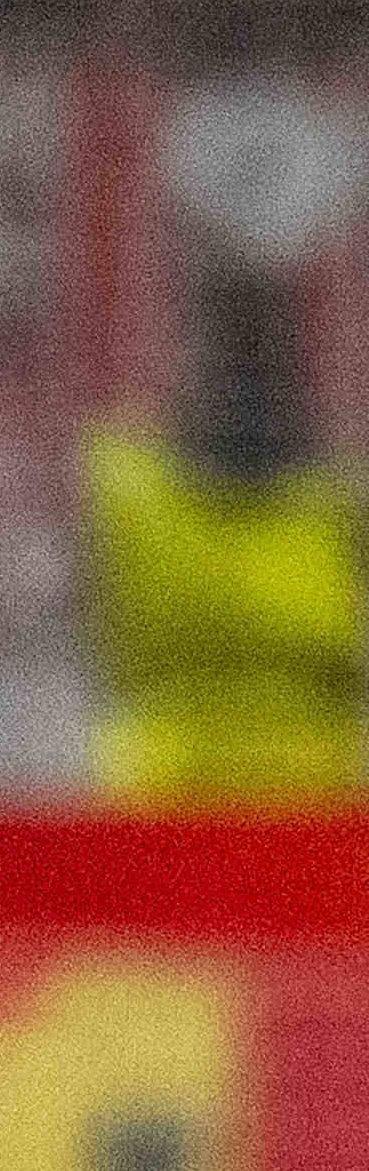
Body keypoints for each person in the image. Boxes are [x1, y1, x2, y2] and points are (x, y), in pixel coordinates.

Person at [86, 272, 367, 806]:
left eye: (261, 352)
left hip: (312, 815)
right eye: (227, 350)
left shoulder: (340, 498)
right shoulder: (119, 480)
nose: (244, 384)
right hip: (160, 811)